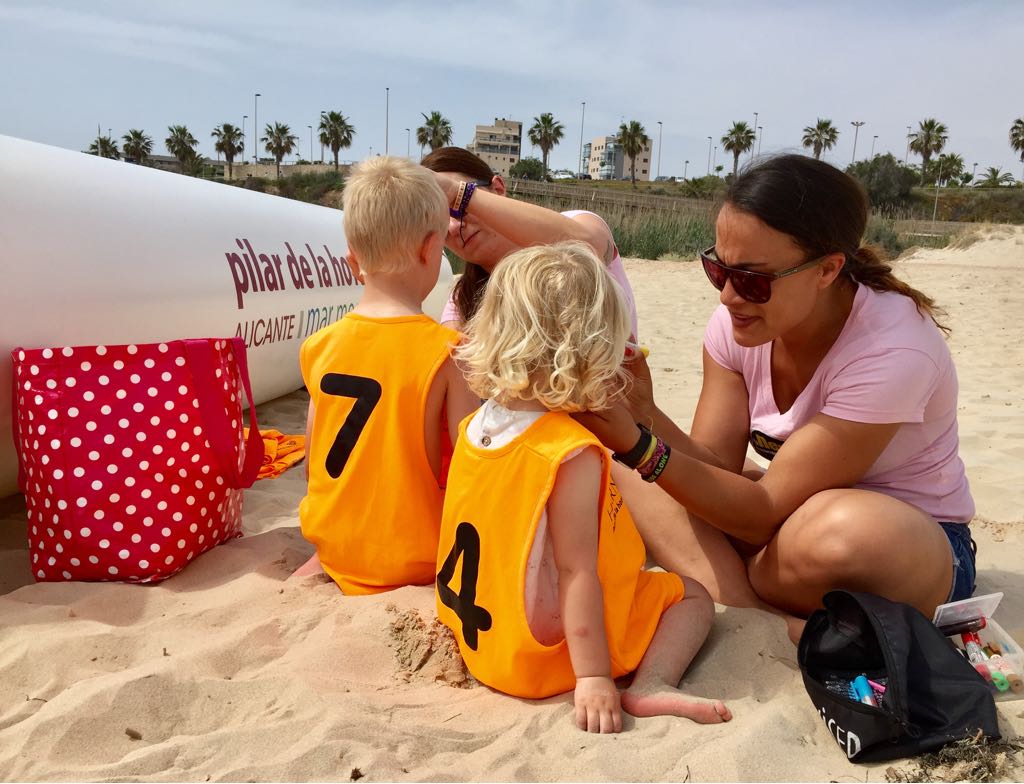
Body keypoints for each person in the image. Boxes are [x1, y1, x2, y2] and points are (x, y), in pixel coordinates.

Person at [575, 154, 976, 640]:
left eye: (751, 279)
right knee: (625, 466)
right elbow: (715, 467)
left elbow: (760, 514)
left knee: (836, 535)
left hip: (911, 542)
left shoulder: (894, 345)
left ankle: (733, 580)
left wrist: (645, 447)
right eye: (717, 270)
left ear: (827, 270)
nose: (727, 297)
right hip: (783, 516)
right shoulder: (737, 324)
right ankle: (753, 610)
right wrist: (644, 413)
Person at [436, 241, 731, 733]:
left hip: (484, 636)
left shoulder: (475, 426)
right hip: (542, 659)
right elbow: (577, 573)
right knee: (693, 596)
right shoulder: (567, 451)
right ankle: (653, 684)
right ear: (595, 347)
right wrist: (592, 677)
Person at [296, 156, 478, 594]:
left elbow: (312, 463)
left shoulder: (318, 346)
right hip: (415, 558)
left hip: (335, 547)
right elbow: (473, 470)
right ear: (430, 249)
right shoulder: (450, 352)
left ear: (352, 260)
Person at [419, 147, 639, 338]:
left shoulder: (575, 222)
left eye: (458, 208)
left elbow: (588, 249)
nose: (453, 227)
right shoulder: (463, 299)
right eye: (438, 218)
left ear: (497, 188)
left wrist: (457, 193)